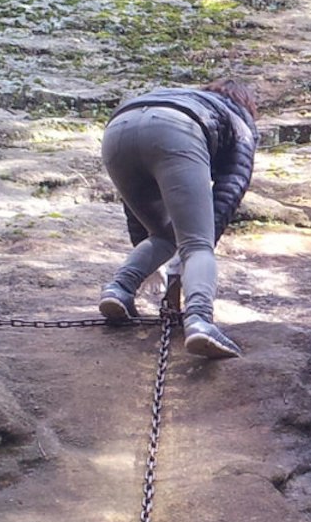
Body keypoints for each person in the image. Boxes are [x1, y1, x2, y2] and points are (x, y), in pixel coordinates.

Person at [98, 78, 259, 359]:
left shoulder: (189, 97)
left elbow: (139, 212)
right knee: (197, 244)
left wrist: (151, 248)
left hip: (117, 129)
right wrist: (195, 248)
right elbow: (230, 188)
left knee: (162, 234)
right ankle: (199, 321)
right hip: (177, 130)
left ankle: (119, 289)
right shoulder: (240, 120)